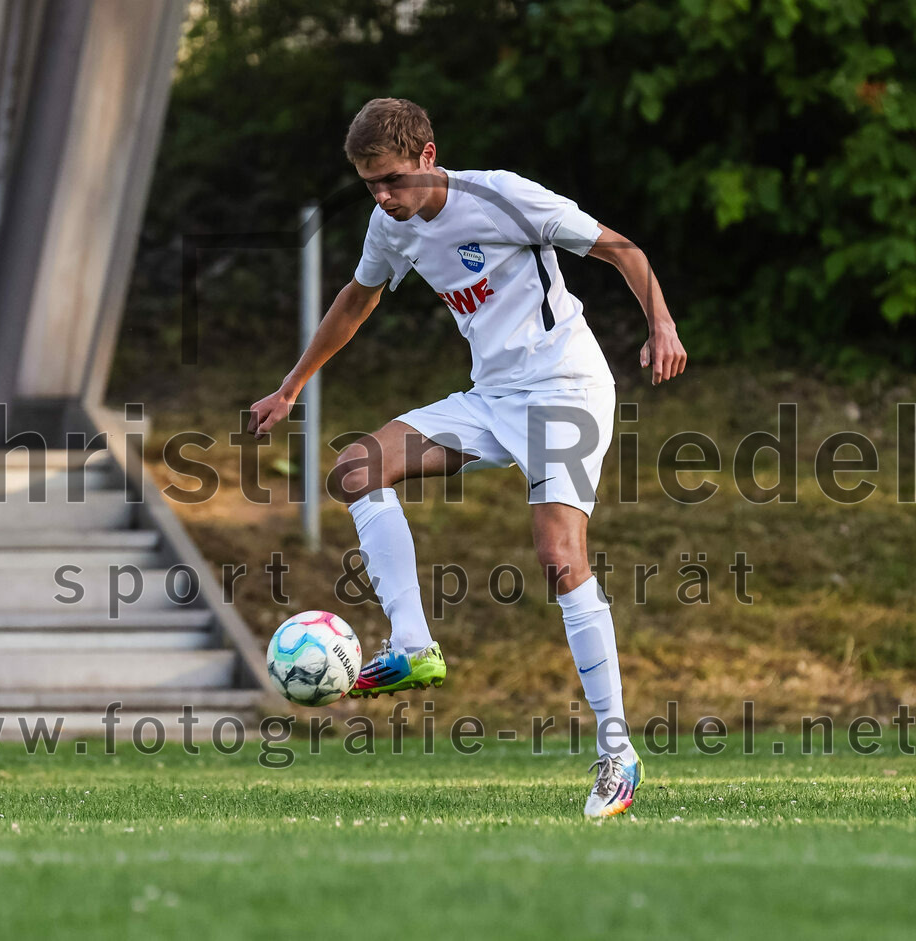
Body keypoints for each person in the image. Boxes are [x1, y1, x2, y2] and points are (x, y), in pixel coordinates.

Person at [249, 98, 687, 818]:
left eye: (392, 179)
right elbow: (358, 298)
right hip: (491, 398)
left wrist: (660, 325)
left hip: (566, 388)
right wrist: (291, 386)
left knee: (559, 556)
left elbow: (620, 248)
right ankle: (413, 645)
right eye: (370, 185)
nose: (383, 197)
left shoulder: (503, 196)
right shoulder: (390, 223)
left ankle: (619, 754)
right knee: (356, 468)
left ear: (428, 156)